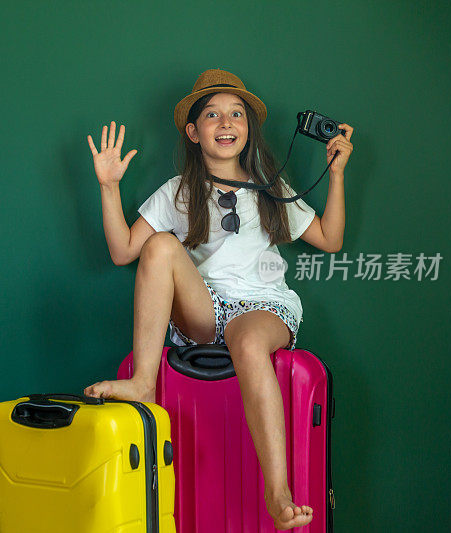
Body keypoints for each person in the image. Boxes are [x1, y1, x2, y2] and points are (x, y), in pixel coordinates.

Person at [83, 69, 353, 530]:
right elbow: (123, 250)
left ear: (247, 129)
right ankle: (144, 382)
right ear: (193, 132)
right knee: (159, 246)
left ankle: (277, 490)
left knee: (248, 342)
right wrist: (110, 188)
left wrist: (336, 174)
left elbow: (329, 239)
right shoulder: (177, 190)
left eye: (235, 113)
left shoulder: (270, 186)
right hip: (207, 309)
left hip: (265, 308)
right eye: (211, 114)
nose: (225, 122)